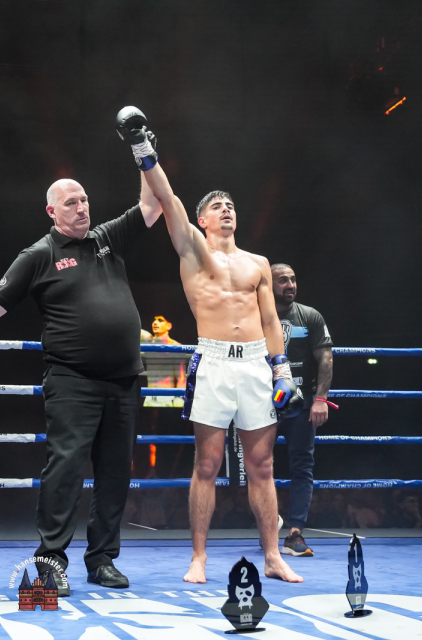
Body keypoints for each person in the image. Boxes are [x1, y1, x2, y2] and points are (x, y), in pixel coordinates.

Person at [0, 172, 163, 597]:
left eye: (84, 200)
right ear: (51, 211)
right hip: (71, 379)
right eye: (71, 203)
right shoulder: (39, 255)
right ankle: (50, 564)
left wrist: (142, 155)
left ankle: (102, 560)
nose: (81, 208)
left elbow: (152, 205)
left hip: (124, 381)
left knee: (116, 473)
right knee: (64, 470)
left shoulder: (107, 238)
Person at [116, 106, 302, 583]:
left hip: (256, 364)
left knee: (263, 464)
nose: (226, 209)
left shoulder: (258, 263)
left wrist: (282, 369)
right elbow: (166, 198)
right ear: (201, 219)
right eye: (217, 205)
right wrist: (142, 148)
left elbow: (270, 319)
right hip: (214, 361)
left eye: (230, 204)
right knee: (207, 462)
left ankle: (273, 555)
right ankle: (198, 558)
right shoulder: (193, 251)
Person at [271, 263, 335, 557]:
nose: (290, 285)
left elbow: (325, 358)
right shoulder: (254, 317)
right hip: (263, 402)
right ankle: (269, 525)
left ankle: (294, 534)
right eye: (283, 280)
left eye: (293, 279)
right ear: (268, 284)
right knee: (256, 466)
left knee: (302, 466)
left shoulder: (310, 316)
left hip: (302, 403)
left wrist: (321, 399)